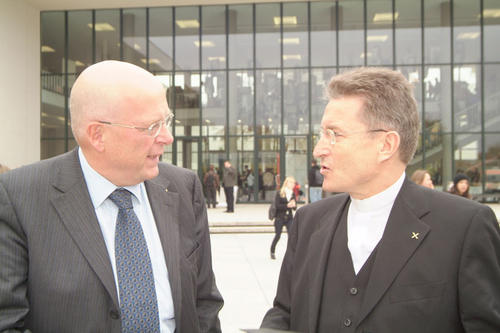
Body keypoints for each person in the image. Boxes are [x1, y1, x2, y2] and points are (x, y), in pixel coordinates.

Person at [261, 67, 500, 332]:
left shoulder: (465, 227)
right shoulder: (309, 221)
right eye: (322, 135)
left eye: (334, 134)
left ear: (386, 145)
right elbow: (284, 313)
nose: (318, 150)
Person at [0, 60, 223, 332]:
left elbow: (204, 304)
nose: (167, 137)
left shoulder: (183, 187)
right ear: (98, 135)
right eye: (151, 126)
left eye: (166, 121)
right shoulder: (19, 197)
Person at [270, 177, 297, 260]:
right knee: (278, 235)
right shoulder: (280, 193)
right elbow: (277, 206)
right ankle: (272, 251)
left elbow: (294, 208)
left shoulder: (292, 194)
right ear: (286, 183)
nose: (292, 185)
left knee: (291, 235)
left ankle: (291, 254)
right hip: (280, 217)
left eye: (293, 183)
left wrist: (294, 205)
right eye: (291, 183)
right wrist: (287, 206)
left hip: (289, 218)